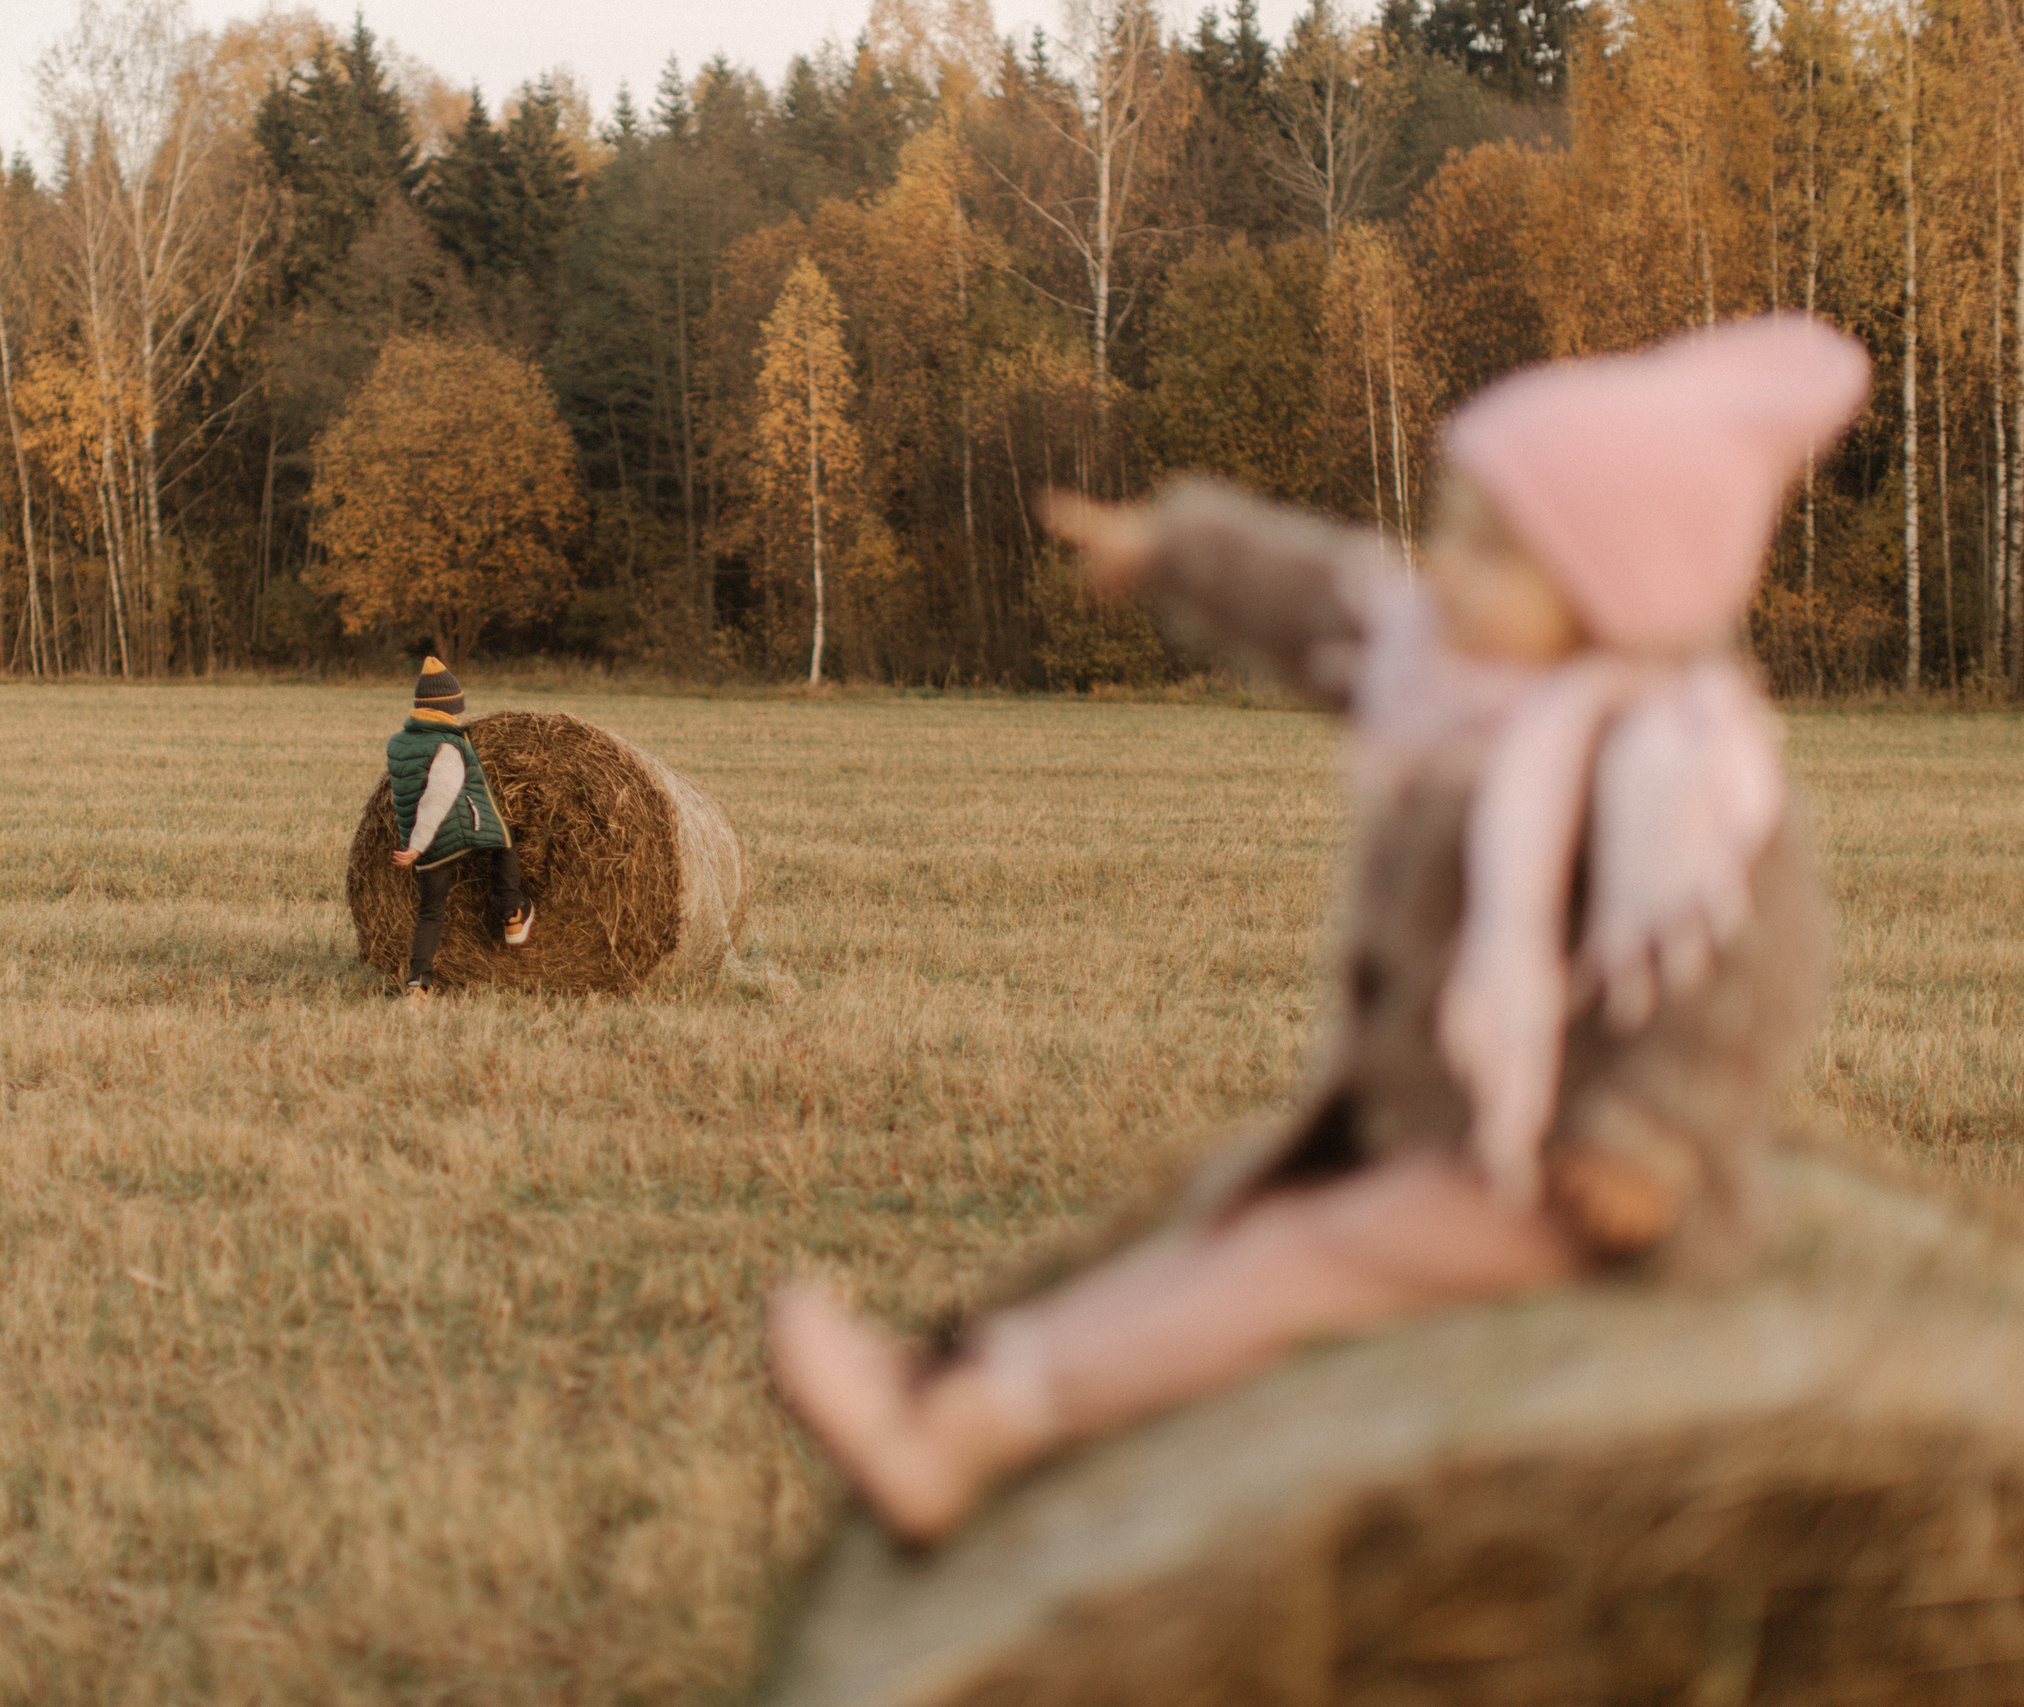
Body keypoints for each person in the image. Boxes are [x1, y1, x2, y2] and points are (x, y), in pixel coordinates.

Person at [765, 314, 1870, 1545]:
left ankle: (968, 1431)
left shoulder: (1679, 772)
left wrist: (1647, 1139)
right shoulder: (1458, 693)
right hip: (1457, 1144)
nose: (1445, 570)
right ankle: (941, 1383)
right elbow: (1324, 601)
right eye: (1451, 531)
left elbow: (1753, 979)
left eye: (1494, 552)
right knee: (1228, 1232)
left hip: (1568, 1190)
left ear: (1622, 587)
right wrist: (1174, 547)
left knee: (1289, 1265)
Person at [386, 658, 534, 998]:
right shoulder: (448, 745)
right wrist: (418, 843)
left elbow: (407, 792)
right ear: (446, 709)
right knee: (504, 840)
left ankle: (417, 984)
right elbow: (438, 795)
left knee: (431, 911)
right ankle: (512, 912)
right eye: (455, 711)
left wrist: (415, 843)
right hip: (451, 829)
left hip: (423, 841)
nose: (458, 717)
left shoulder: (398, 743)